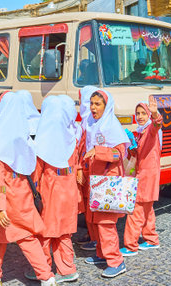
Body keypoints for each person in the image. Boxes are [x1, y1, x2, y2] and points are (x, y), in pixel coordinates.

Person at [0, 92, 56, 286]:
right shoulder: (23, 134)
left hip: (3, 197)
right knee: (22, 236)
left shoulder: (0, 134)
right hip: (22, 193)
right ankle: (45, 276)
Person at [26, 95, 79, 283]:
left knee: (45, 232)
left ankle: (42, 268)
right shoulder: (72, 135)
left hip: (50, 190)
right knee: (64, 232)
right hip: (69, 188)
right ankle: (68, 269)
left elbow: (36, 171)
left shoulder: (43, 138)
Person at [81, 89, 130, 278]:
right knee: (97, 220)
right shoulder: (93, 124)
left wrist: (98, 151)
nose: (93, 108)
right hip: (96, 179)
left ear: (106, 106)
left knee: (106, 223)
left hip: (108, 179)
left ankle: (116, 261)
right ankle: (102, 254)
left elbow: (119, 153)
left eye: (97, 104)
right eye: (91, 103)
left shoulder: (111, 126)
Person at [120, 96, 163, 256]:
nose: (140, 116)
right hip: (147, 175)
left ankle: (130, 246)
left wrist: (155, 114)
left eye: (143, 113)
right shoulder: (140, 131)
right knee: (147, 210)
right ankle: (151, 239)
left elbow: (157, 124)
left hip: (146, 176)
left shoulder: (150, 129)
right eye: (137, 113)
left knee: (136, 211)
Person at [76, 85, 98, 250]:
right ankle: (92, 235)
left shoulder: (97, 121)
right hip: (85, 169)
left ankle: (97, 239)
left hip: (95, 171)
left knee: (95, 206)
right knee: (88, 206)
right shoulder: (86, 120)